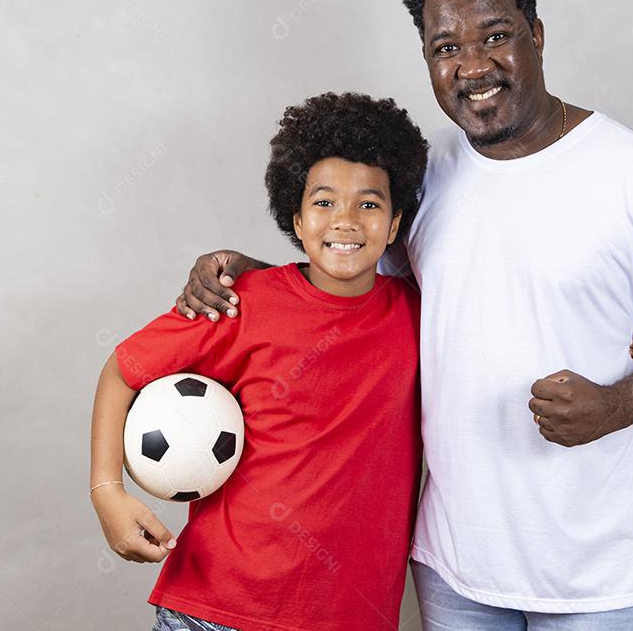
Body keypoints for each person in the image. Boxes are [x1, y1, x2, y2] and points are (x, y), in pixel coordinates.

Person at [177, 0, 633, 631]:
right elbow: (360, 291)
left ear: (536, 35)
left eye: (496, 36)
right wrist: (252, 272)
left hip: (596, 571)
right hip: (456, 567)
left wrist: (618, 402)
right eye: (446, 48)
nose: (474, 66)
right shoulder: (426, 177)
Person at [89, 92, 429, 631]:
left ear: (393, 226)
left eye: (369, 204)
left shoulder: (417, 315)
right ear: (295, 220)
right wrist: (107, 492)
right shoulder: (242, 301)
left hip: (349, 615)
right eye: (323, 203)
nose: (345, 220)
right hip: (218, 608)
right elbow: (122, 369)